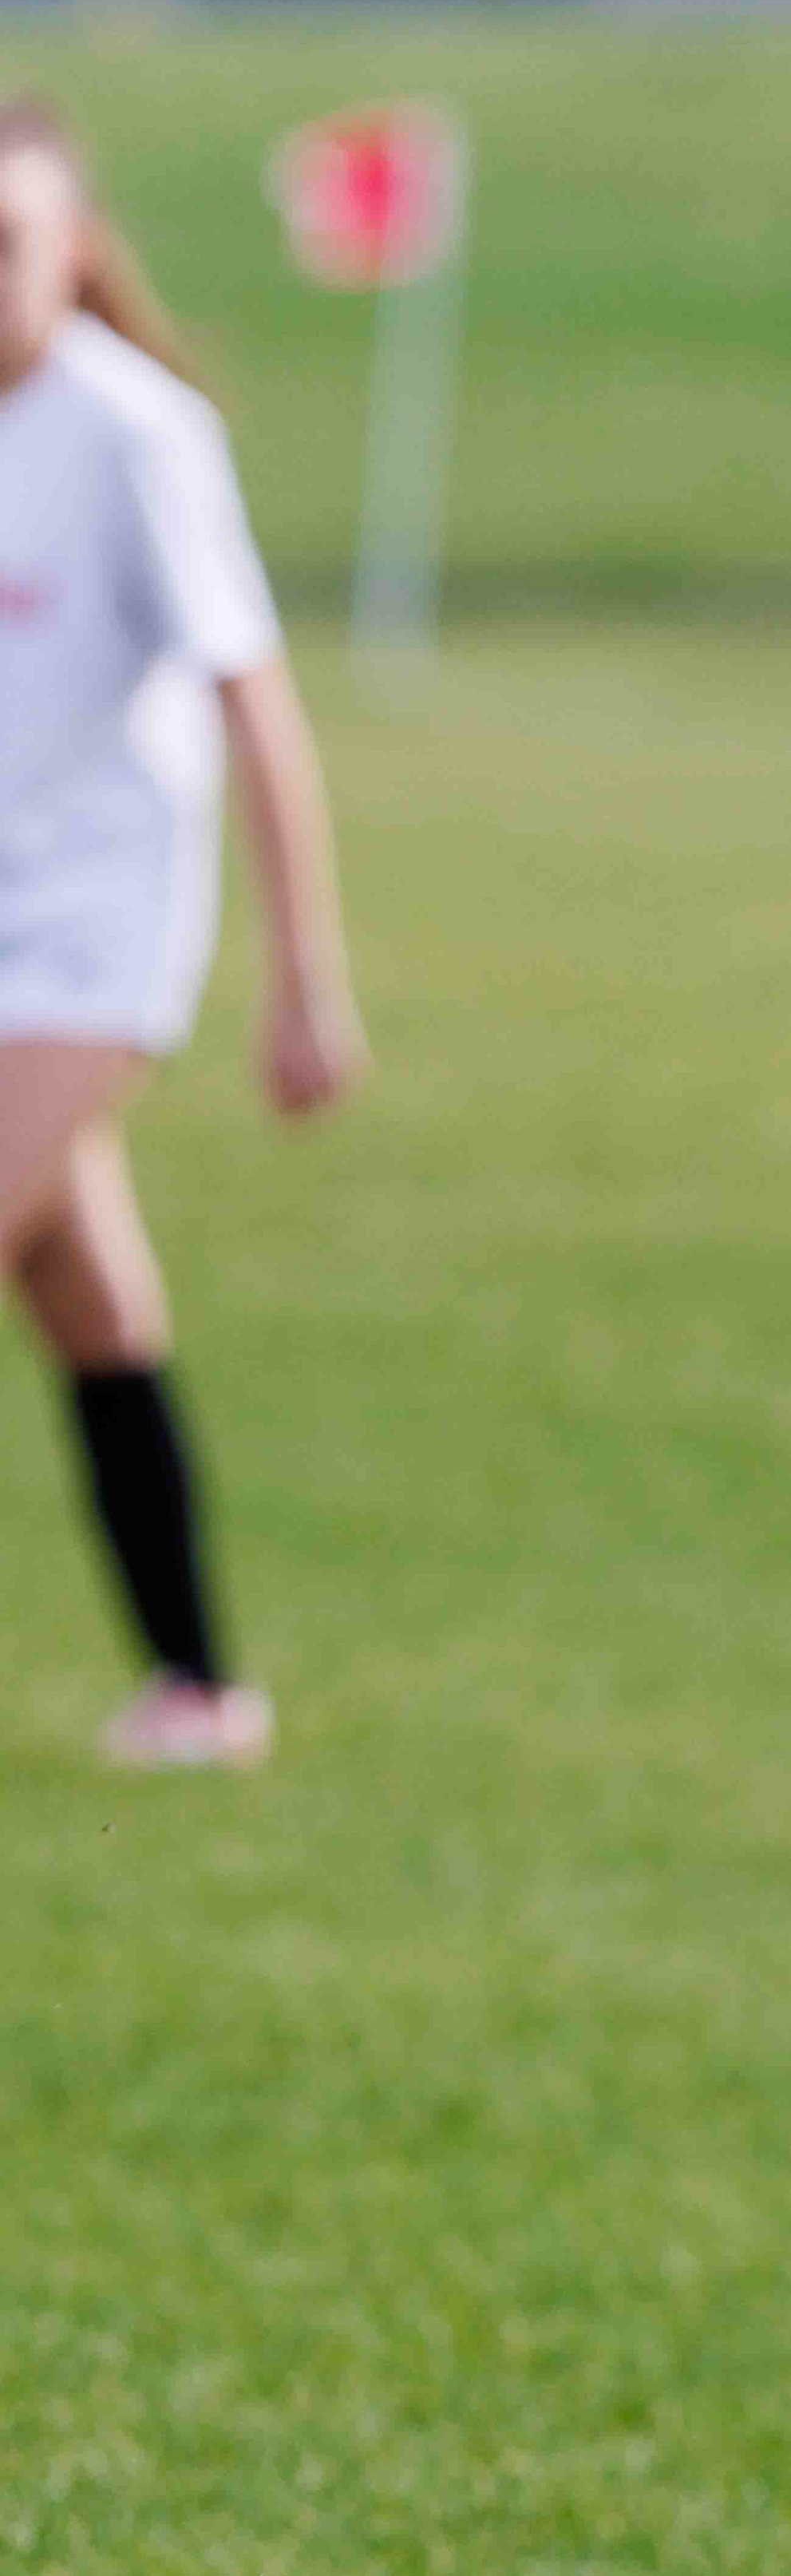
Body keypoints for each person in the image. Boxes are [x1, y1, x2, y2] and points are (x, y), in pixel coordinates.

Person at [0, 93, 364, 1768]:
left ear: (73, 247)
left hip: (100, 935)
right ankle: (201, 1694)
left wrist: (307, 982)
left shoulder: (137, 433)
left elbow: (258, 711)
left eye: (9, 238)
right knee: (87, 1297)